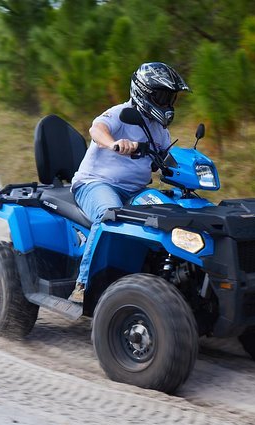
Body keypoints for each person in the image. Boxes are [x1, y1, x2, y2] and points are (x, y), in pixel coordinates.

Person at [68, 62, 190, 304]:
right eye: (162, 97)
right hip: (96, 183)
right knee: (109, 213)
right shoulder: (120, 114)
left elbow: (170, 160)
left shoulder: (159, 131)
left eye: (170, 98)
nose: (167, 104)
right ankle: (83, 285)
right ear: (144, 94)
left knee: (170, 215)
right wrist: (114, 143)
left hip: (135, 190)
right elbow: (96, 129)